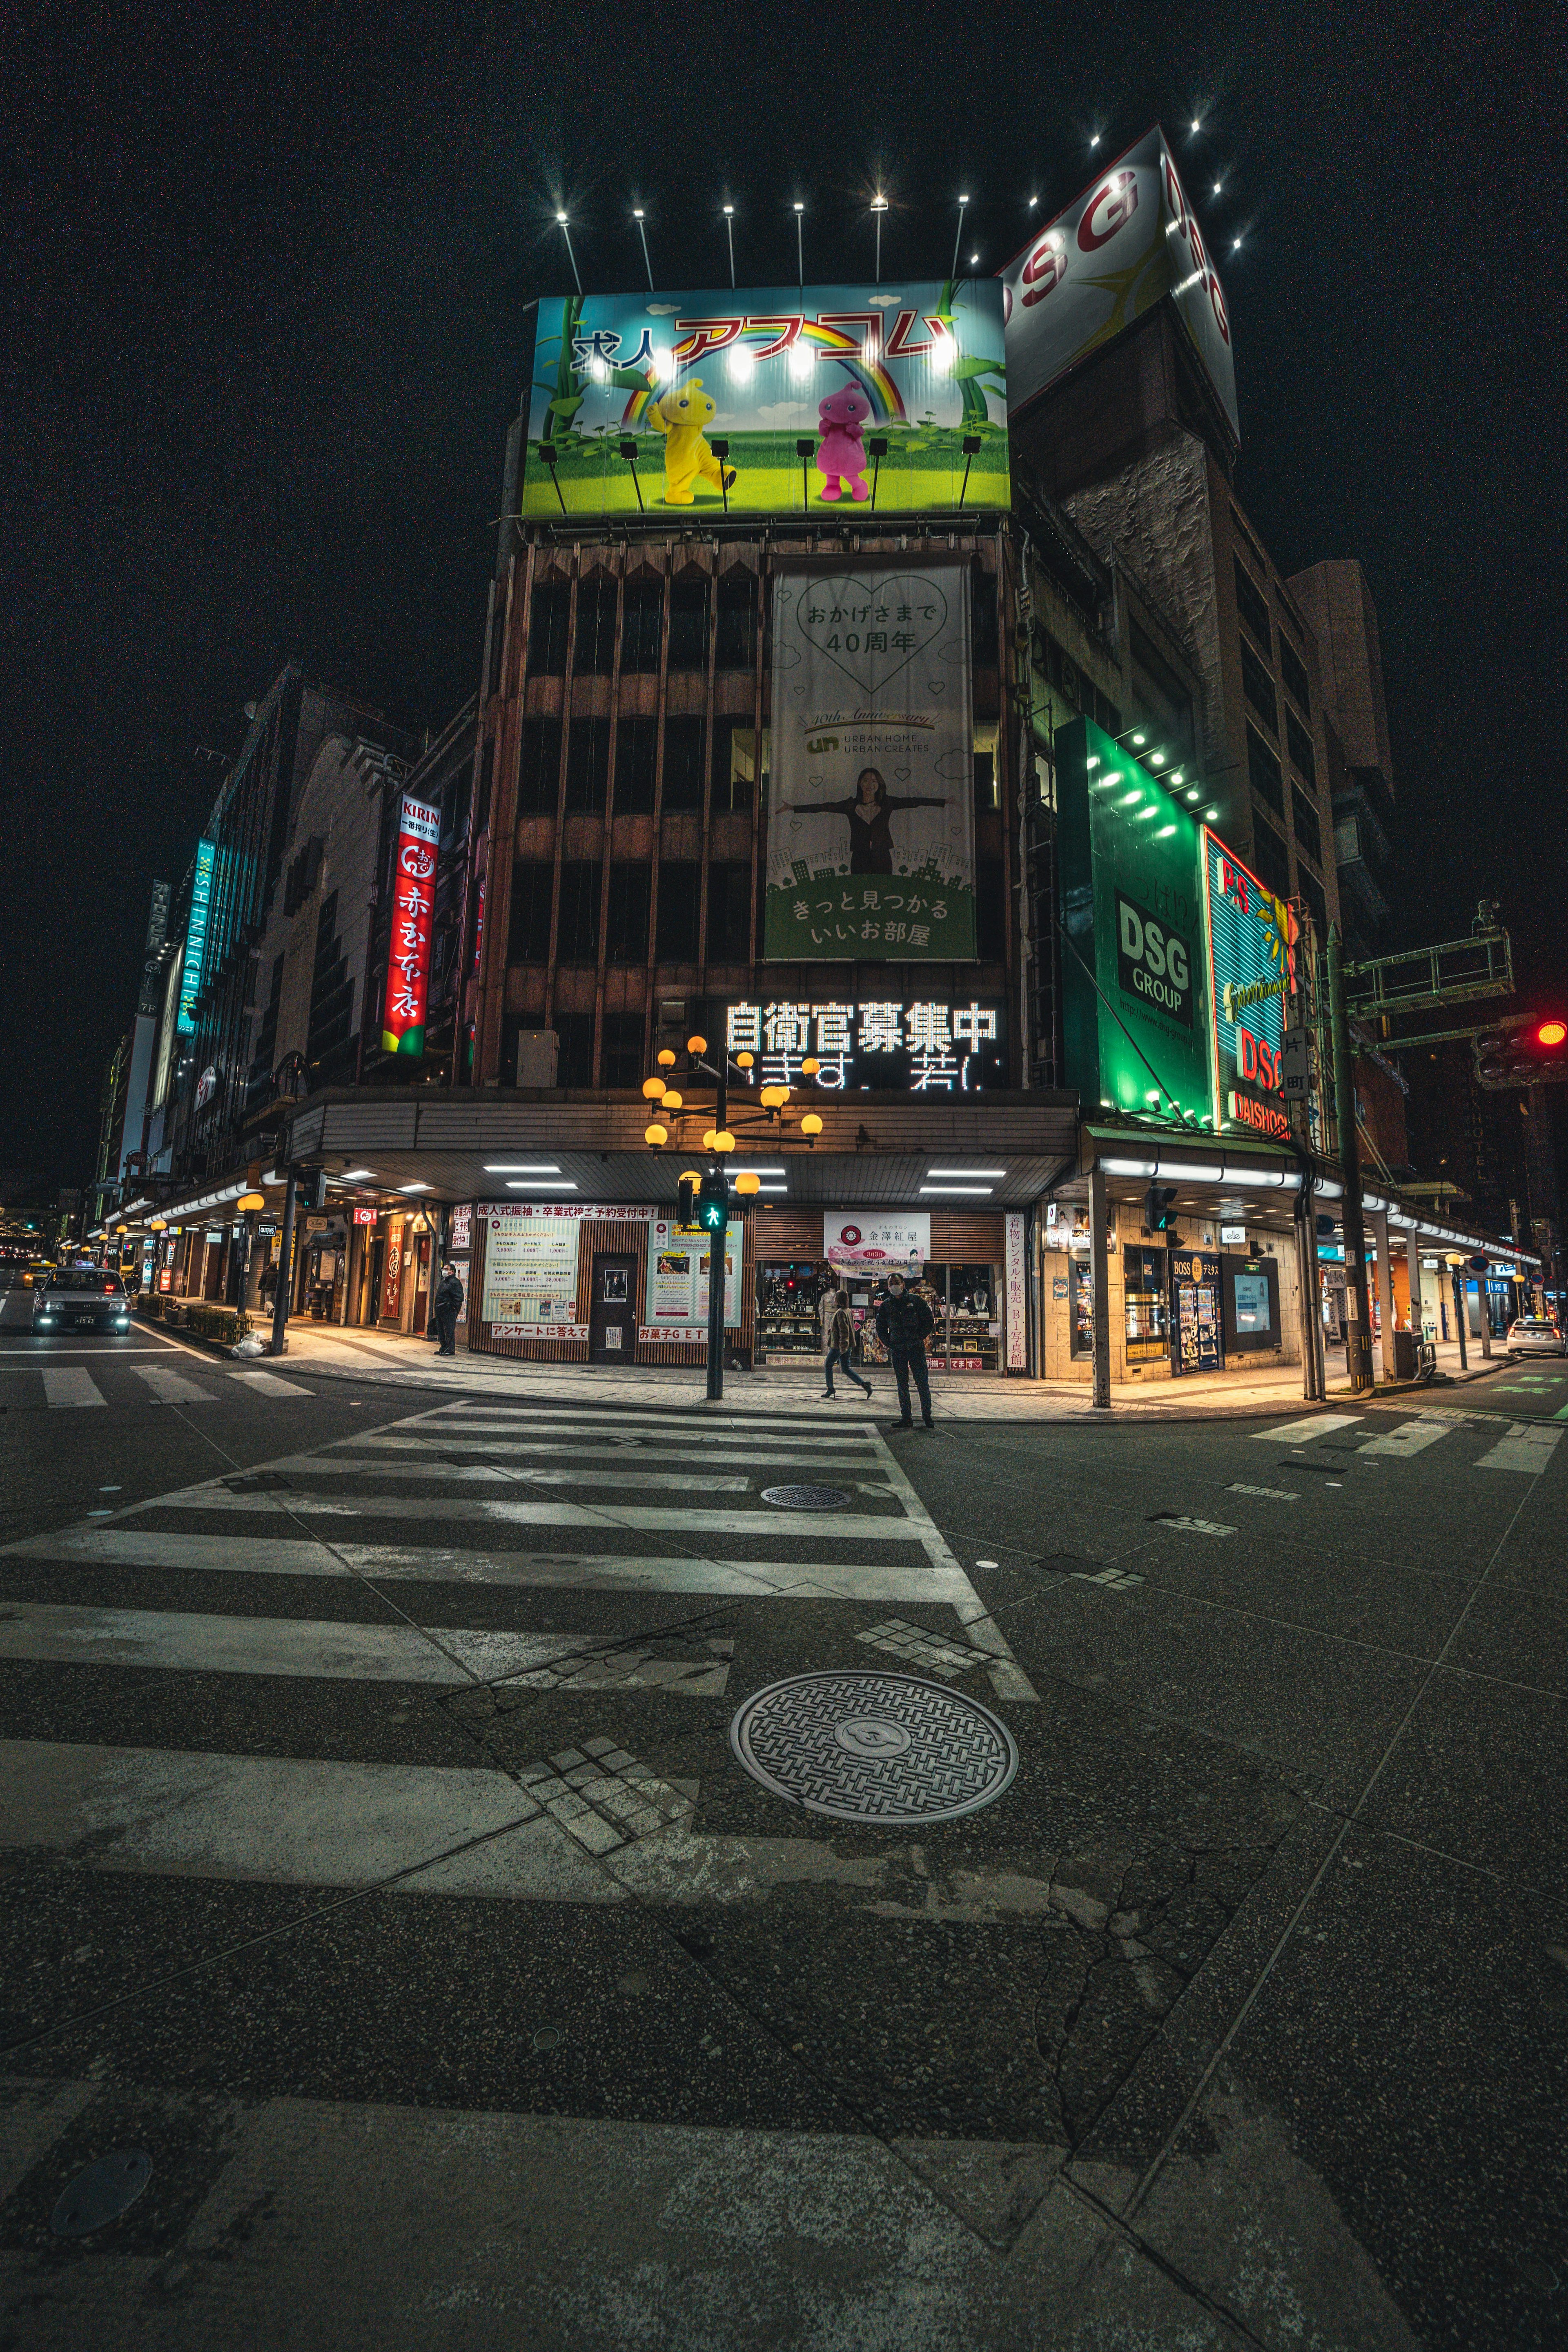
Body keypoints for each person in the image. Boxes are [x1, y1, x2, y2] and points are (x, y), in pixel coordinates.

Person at [784, 766, 947, 877]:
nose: (870, 785)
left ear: (879, 784)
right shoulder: (850, 805)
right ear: (860, 784)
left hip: (882, 855)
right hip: (859, 856)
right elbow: (823, 807)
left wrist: (944, 801)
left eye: (874, 781)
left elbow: (914, 802)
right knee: (859, 890)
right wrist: (793, 808)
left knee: (883, 890)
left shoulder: (887, 803)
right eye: (866, 781)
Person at [875, 1271, 935, 1430]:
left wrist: (919, 1337)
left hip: (916, 1348)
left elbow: (929, 1321)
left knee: (922, 1382)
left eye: (897, 1283)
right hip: (898, 1350)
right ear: (888, 1287)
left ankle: (927, 1416)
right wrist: (889, 1343)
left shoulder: (916, 1301)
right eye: (891, 1284)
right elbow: (880, 1327)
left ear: (903, 1284)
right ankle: (906, 1417)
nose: (894, 1286)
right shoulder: (886, 1306)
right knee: (902, 1384)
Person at [820, 1287, 872, 1402]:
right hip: (846, 1345)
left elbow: (844, 1332)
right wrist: (832, 1329)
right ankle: (864, 1385)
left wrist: (842, 1347)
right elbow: (846, 1328)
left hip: (839, 1345)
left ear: (839, 1300)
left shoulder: (840, 1313)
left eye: (836, 1299)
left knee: (828, 1365)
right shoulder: (848, 1311)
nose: (834, 1300)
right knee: (846, 1368)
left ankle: (831, 1388)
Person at [430, 1261, 464, 1356]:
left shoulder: (455, 1282)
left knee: (449, 1331)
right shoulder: (444, 1281)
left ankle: (450, 1349)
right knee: (441, 1331)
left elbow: (459, 1298)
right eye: (444, 1269)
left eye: (446, 1269)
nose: (444, 1271)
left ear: (452, 1272)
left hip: (449, 1312)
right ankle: (444, 1348)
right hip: (440, 1311)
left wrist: (452, 1308)